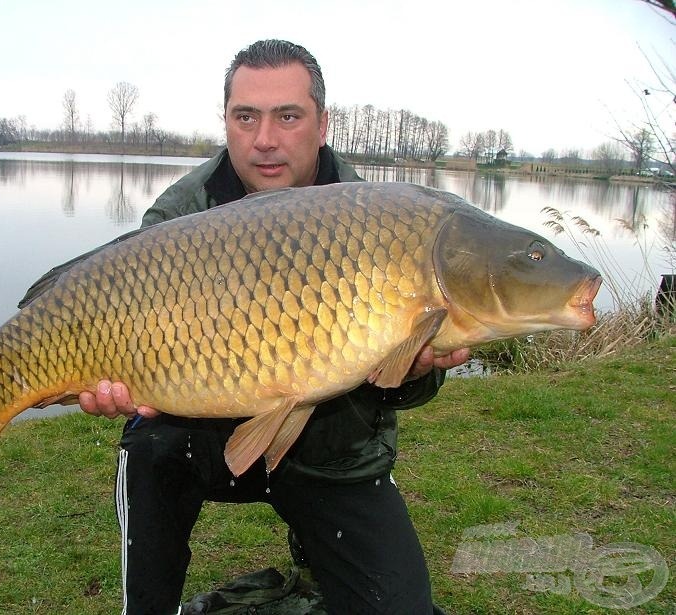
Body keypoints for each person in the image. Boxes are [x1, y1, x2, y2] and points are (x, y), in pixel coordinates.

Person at [78, 40, 469, 615]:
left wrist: (410, 371)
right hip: (203, 435)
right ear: (227, 123)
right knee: (149, 444)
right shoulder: (182, 212)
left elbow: (419, 388)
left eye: (288, 116)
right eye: (246, 117)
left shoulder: (382, 219)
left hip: (333, 446)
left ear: (322, 124)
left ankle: (316, 543)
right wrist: (115, 383)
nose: (265, 139)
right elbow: (123, 324)